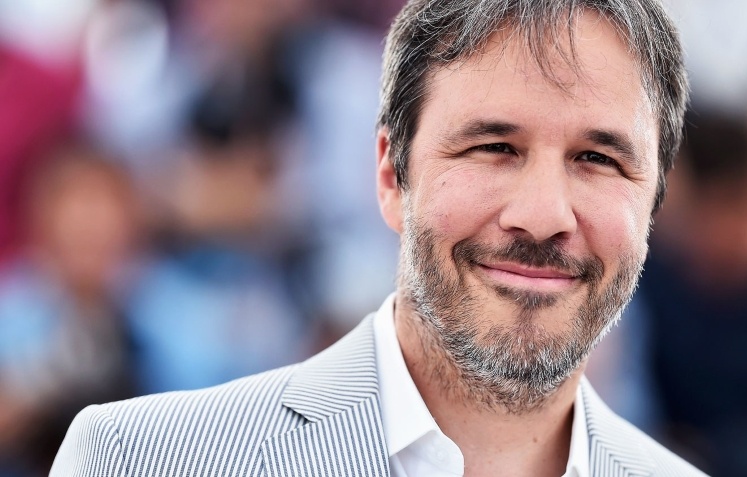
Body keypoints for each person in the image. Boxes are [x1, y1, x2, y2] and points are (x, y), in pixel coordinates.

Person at [50, 0, 704, 475]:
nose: (543, 214)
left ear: (655, 200)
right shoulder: (139, 460)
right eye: (494, 147)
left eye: (597, 159)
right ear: (391, 175)